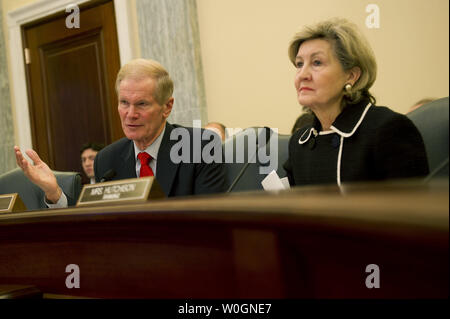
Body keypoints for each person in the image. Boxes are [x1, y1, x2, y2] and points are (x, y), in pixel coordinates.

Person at [15, 59, 226, 207]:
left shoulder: (199, 146)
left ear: (167, 107)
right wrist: (54, 192)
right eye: (124, 103)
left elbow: (210, 222)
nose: (130, 114)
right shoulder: (107, 159)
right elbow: (92, 222)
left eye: (141, 104)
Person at [283, 18, 429, 187]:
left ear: (351, 75)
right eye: (299, 64)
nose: (302, 75)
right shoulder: (300, 143)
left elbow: (411, 209)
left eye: (317, 62)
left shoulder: (388, 129)